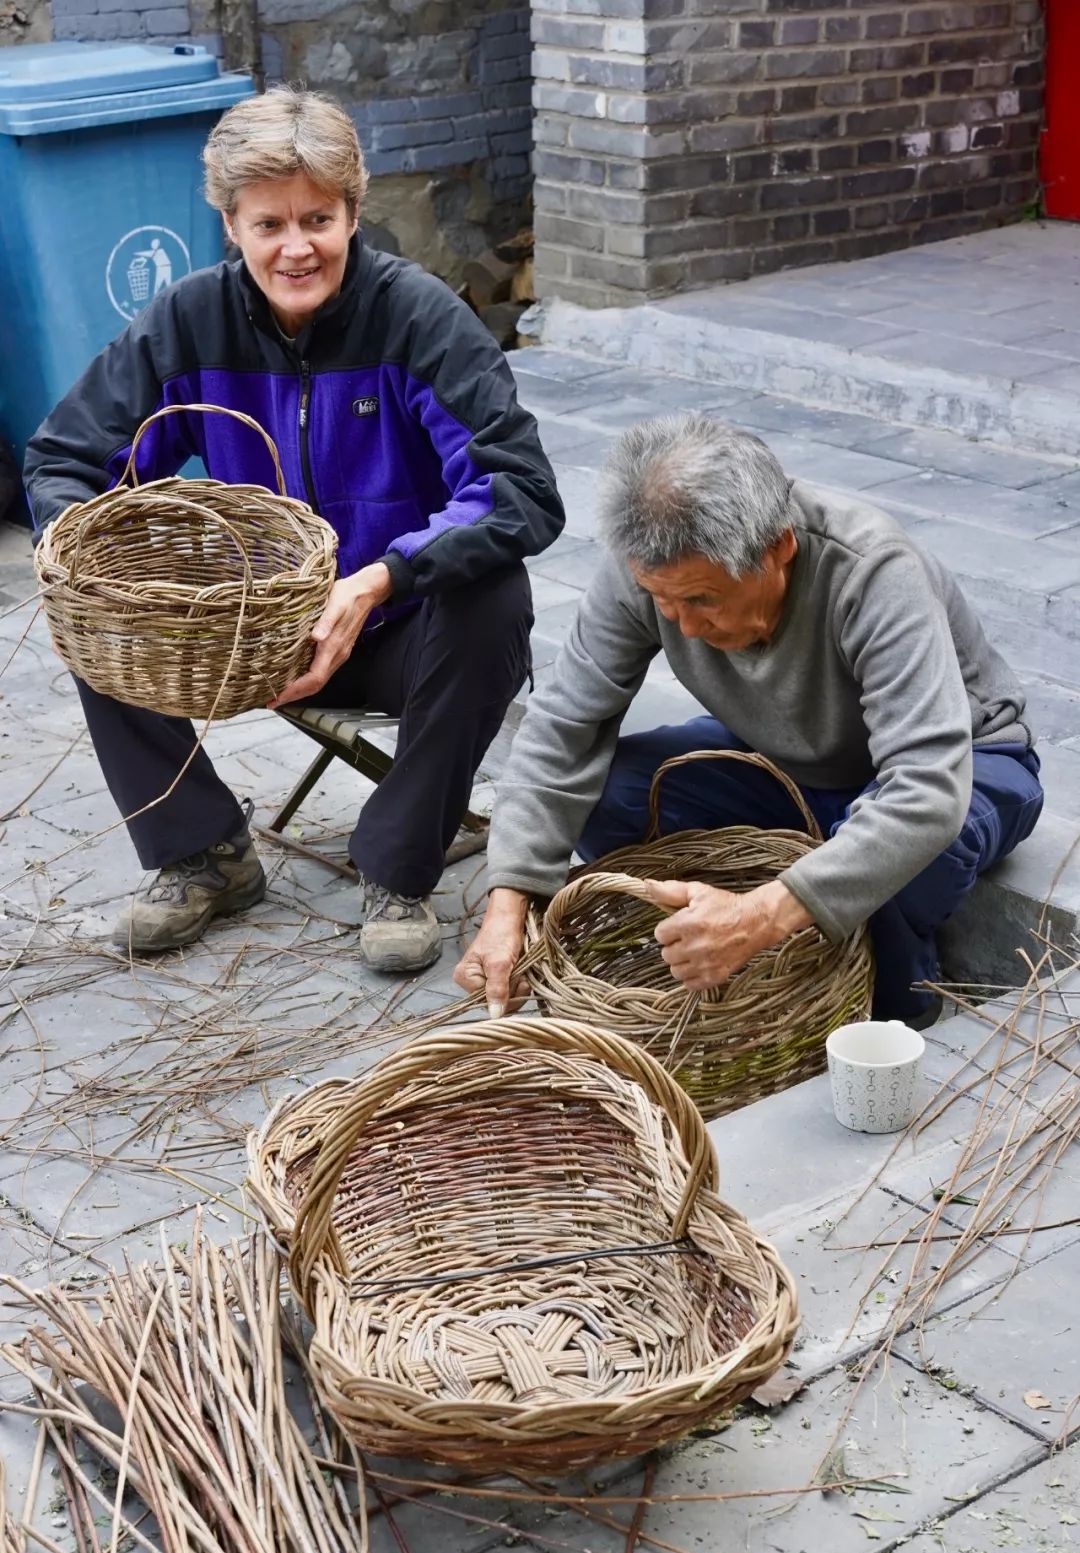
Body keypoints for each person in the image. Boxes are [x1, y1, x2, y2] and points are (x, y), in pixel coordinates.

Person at [24, 86, 564, 972]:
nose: (296, 247)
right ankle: (202, 852)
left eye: (318, 218)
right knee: (94, 601)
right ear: (230, 226)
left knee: (495, 596)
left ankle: (396, 866)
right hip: (247, 631)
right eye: (268, 224)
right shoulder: (189, 320)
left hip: (394, 626)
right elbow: (68, 458)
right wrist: (95, 556)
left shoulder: (419, 318)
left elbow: (522, 491)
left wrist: (383, 576)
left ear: (354, 212)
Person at [456, 416, 1043, 1027]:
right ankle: (701, 961)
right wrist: (511, 902)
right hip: (789, 761)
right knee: (610, 795)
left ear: (778, 550)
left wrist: (762, 915)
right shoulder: (650, 563)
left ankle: (890, 1022)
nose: (682, 626)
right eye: (663, 602)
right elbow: (562, 724)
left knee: (902, 855)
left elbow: (925, 790)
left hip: (969, 766)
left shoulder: (872, 571)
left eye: (703, 600)